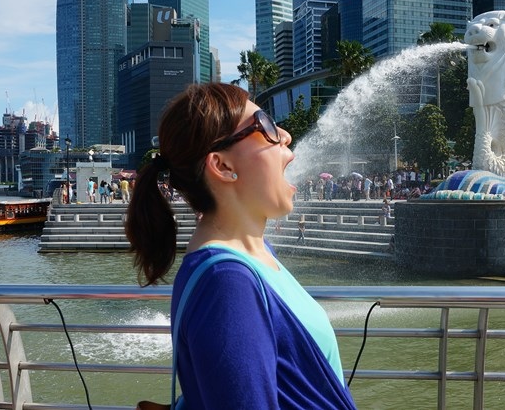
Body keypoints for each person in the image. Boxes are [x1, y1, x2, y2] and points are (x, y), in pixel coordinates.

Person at [125, 83, 356, 409]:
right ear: (222, 166)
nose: (286, 136)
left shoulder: (256, 257)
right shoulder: (227, 283)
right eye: (265, 125)